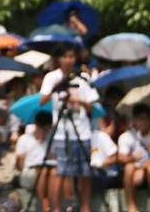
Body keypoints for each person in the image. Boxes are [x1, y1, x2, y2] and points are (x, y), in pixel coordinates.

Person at [39, 43, 98, 212]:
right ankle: (56, 208)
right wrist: (57, 87)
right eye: (65, 56)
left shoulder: (82, 77)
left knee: (84, 173)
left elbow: (91, 106)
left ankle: (85, 207)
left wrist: (77, 101)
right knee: (60, 171)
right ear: (58, 59)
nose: (68, 60)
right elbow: (42, 101)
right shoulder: (51, 77)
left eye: (72, 56)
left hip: (82, 130)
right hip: (61, 131)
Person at [117, 102, 150, 212]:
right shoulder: (126, 136)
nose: (143, 122)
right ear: (134, 119)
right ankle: (131, 206)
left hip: (149, 169)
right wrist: (132, 159)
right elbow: (121, 158)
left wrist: (141, 169)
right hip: (132, 170)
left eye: (146, 118)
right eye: (140, 118)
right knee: (128, 167)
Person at [16, 111, 54, 207]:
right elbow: (19, 166)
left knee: (54, 172)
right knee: (43, 171)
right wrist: (22, 158)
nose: (45, 131)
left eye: (47, 129)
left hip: (49, 169)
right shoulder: (24, 139)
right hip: (29, 171)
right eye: (43, 128)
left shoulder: (51, 140)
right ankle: (44, 205)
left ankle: (57, 205)